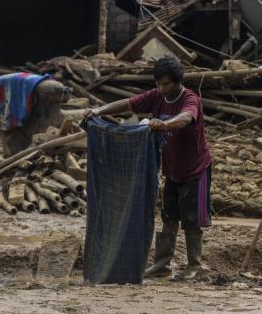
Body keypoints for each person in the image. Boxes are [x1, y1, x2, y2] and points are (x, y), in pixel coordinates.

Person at [82, 56, 212, 280]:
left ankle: (195, 265)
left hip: (195, 169)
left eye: (166, 84)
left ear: (178, 82)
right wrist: (99, 110)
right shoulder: (155, 97)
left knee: (191, 218)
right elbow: (129, 103)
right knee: (169, 216)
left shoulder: (190, 99)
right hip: (171, 169)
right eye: (158, 84)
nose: (161, 88)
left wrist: (165, 124)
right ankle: (162, 264)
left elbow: (186, 118)